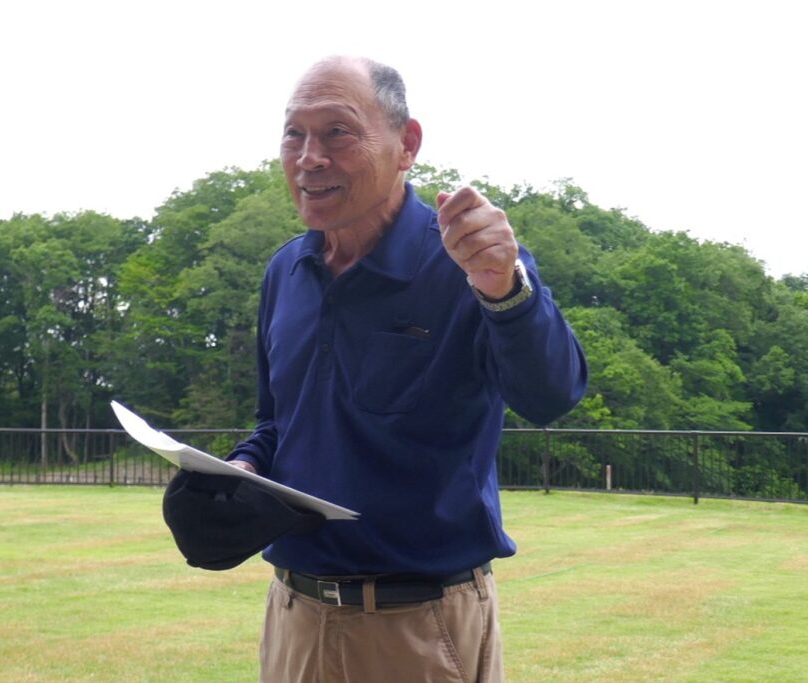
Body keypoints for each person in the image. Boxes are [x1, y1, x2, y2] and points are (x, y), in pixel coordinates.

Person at [226, 56, 587, 683]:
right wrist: (241, 472)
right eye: (294, 134)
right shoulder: (286, 271)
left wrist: (505, 289)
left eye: (337, 132)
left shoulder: (470, 261)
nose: (309, 157)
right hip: (292, 616)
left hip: (419, 626)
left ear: (407, 144)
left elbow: (552, 394)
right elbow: (276, 423)